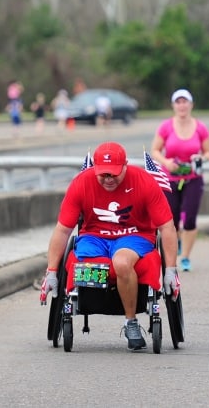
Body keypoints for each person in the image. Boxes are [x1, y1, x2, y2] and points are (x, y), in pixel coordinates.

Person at [38, 142, 180, 351]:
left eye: (114, 174)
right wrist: (52, 272)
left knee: (121, 262)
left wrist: (170, 270)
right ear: (94, 168)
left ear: (125, 166)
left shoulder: (144, 182)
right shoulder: (81, 183)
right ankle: (85, 301)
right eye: (103, 175)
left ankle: (131, 323)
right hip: (94, 236)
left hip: (135, 235)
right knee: (82, 263)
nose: (108, 180)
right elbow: (62, 230)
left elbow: (167, 228)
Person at [150, 89, 209, 272]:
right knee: (171, 219)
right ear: (173, 106)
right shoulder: (166, 127)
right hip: (169, 178)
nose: (182, 105)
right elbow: (155, 150)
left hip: (193, 178)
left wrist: (200, 158)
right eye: (178, 102)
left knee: (190, 219)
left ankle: (185, 257)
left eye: (185, 102)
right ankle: (175, 242)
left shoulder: (200, 127)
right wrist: (166, 162)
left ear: (191, 105)